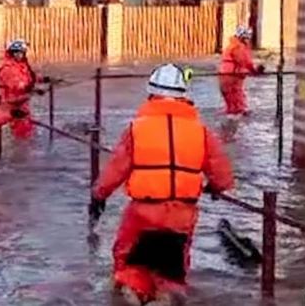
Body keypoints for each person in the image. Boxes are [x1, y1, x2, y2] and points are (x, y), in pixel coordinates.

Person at [89, 64, 234, 306]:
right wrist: (214, 188)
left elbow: (116, 169)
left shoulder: (137, 129)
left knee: (129, 265)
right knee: (172, 271)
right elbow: (223, 176)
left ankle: (133, 295)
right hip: (181, 214)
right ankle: (166, 297)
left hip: (143, 212)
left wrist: (99, 195)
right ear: (184, 96)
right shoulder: (201, 131)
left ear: (151, 94)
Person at [0, 40, 49, 139]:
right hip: (12, 106)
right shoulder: (7, 68)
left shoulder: (21, 66)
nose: (19, 55)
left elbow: (28, 77)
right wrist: (33, 89)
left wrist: (43, 79)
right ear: (11, 53)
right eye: (16, 52)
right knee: (21, 134)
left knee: (27, 131)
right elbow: (16, 85)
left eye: (21, 52)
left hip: (22, 103)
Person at [219, 25, 264, 116]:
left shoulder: (232, 45)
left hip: (226, 75)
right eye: (247, 37)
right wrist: (255, 71)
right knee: (237, 104)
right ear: (243, 37)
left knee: (231, 103)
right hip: (233, 76)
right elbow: (244, 61)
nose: (249, 40)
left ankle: (230, 121)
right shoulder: (238, 47)